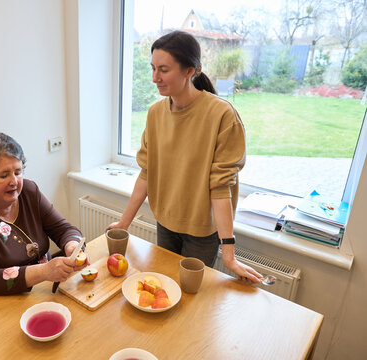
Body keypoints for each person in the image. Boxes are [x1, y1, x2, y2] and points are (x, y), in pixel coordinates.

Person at [108, 30, 262, 284]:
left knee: (189, 297)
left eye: (164, 70)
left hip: (202, 231)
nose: (155, 77)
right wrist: (124, 223)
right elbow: (147, 173)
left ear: (189, 70)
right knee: (164, 286)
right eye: (153, 68)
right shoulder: (156, 113)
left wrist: (229, 256)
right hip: (166, 222)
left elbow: (220, 188)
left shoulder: (221, 115)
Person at [0, 132, 86, 312]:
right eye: (4, 175)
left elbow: (64, 229)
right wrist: (45, 271)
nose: (14, 181)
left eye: (18, 172)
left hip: (35, 292)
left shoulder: (29, 191)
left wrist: (71, 246)